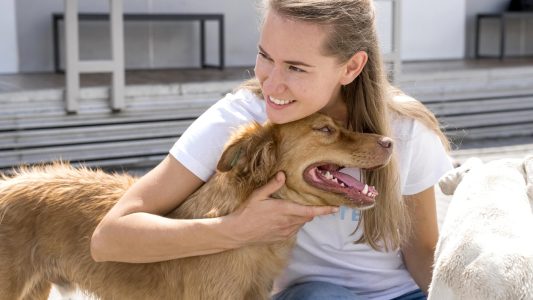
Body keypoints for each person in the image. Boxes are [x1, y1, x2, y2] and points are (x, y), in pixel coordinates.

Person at [90, 0, 453, 299]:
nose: (272, 83)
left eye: (296, 67)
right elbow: (111, 238)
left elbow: (421, 250)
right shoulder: (241, 120)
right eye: (266, 56)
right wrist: (235, 229)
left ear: (351, 66)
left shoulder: (404, 130)